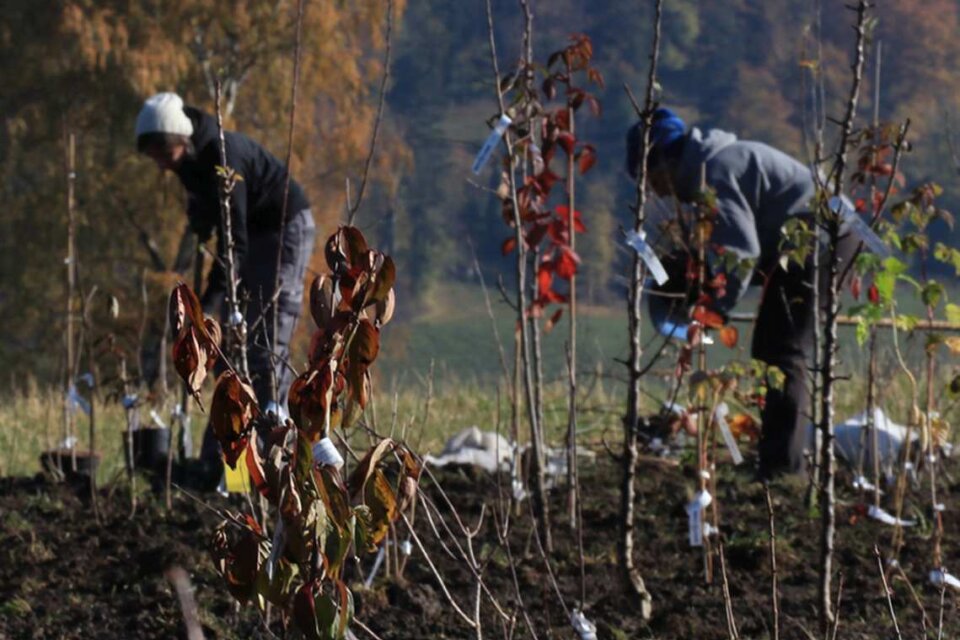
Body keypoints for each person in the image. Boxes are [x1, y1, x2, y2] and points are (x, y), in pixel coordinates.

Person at [626, 107, 857, 480]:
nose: (654, 190)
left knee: (782, 352)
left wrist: (713, 312)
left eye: (648, 178)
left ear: (665, 161)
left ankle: (783, 471)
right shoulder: (710, 169)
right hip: (803, 244)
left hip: (823, 239)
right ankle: (778, 461)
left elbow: (741, 253)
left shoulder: (716, 174)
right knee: (770, 349)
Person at [135, 92, 316, 459]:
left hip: (282, 229)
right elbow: (212, 217)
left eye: (163, 154)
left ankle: (274, 451)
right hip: (252, 235)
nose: (162, 166)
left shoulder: (223, 158)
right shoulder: (188, 162)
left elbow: (234, 242)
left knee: (265, 338)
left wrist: (208, 303)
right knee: (234, 346)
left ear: (180, 140)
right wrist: (200, 219)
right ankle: (224, 453)